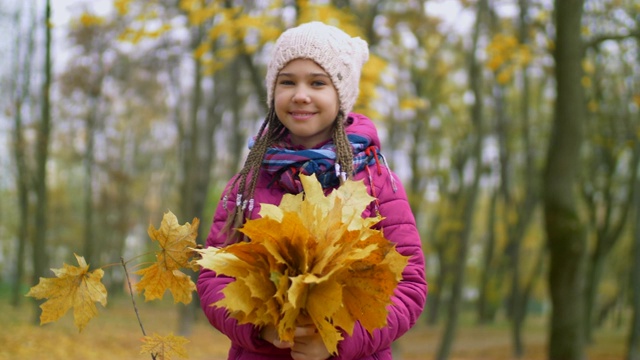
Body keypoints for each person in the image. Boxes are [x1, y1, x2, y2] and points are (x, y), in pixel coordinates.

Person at [197, 21, 427, 360]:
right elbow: (215, 275)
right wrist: (259, 329)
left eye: (317, 82)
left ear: (341, 95)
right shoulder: (246, 183)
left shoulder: (377, 182)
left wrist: (339, 341)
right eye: (287, 81)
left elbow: (409, 286)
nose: (300, 94)